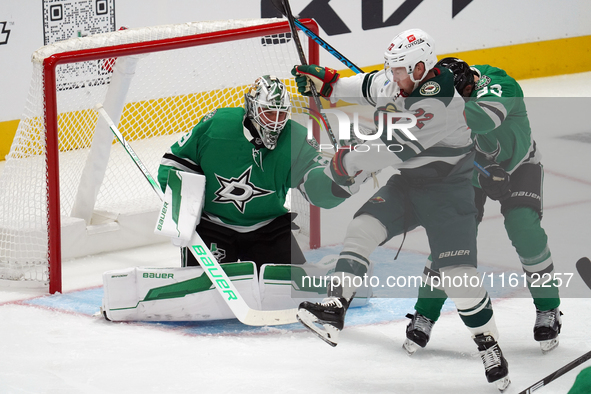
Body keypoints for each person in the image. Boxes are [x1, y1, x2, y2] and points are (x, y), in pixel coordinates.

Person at [291, 29, 510, 391]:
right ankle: (334, 308)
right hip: (408, 186)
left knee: (458, 277)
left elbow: (391, 150)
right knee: (362, 227)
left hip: (450, 193)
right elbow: (369, 85)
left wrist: (345, 164)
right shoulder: (400, 79)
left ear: (422, 67)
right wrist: (330, 84)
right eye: (392, 70)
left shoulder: (441, 102)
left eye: (401, 71)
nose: (394, 78)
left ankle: (489, 345)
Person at [404, 58, 562, 356]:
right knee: (450, 241)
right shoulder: (443, 104)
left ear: (469, 83)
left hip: (520, 164)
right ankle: (424, 313)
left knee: (523, 228)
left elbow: (484, 119)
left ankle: (548, 308)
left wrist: (431, 110)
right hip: (474, 173)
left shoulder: (499, 84)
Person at [157, 75, 363, 273]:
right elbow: (174, 164)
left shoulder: (296, 139)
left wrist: (341, 173)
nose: (276, 122)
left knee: (288, 293)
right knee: (201, 294)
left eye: (282, 113)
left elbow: (317, 190)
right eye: (269, 112)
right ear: (252, 108)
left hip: (268, 229)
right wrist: (181, 214)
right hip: (212, 226)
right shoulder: (217, 125)